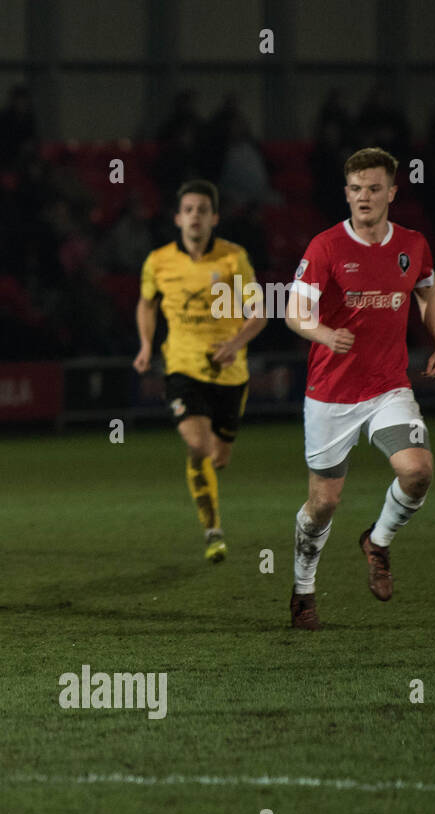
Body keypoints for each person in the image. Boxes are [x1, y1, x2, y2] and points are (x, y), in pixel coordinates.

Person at [282, 148, 435, 630]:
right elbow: (295, 312)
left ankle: (377, 541)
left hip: (388, 388)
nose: (364, 197)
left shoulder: (413, 244)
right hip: (330, 394)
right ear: (346, 193)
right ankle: (303, 589)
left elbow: (428, 291)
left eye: (374, 188)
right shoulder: (326, 247)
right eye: (356, 189)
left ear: (392, 193)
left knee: (417, 472)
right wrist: (322, 334)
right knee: (323, 505)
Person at [134, 180, 266, 562]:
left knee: (219, 457)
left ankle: (210, 492)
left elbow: (259, 310)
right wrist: (145, 345)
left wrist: (235, 344)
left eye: (202, 210)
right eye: (188, 209)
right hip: (181, 366)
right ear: (177, 218)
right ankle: (213, 530)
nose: (195, 216)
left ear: (214, 217)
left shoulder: (232, 258)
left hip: (229, 372)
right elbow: (146, 305)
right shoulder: (158, 261)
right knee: (198, 446)